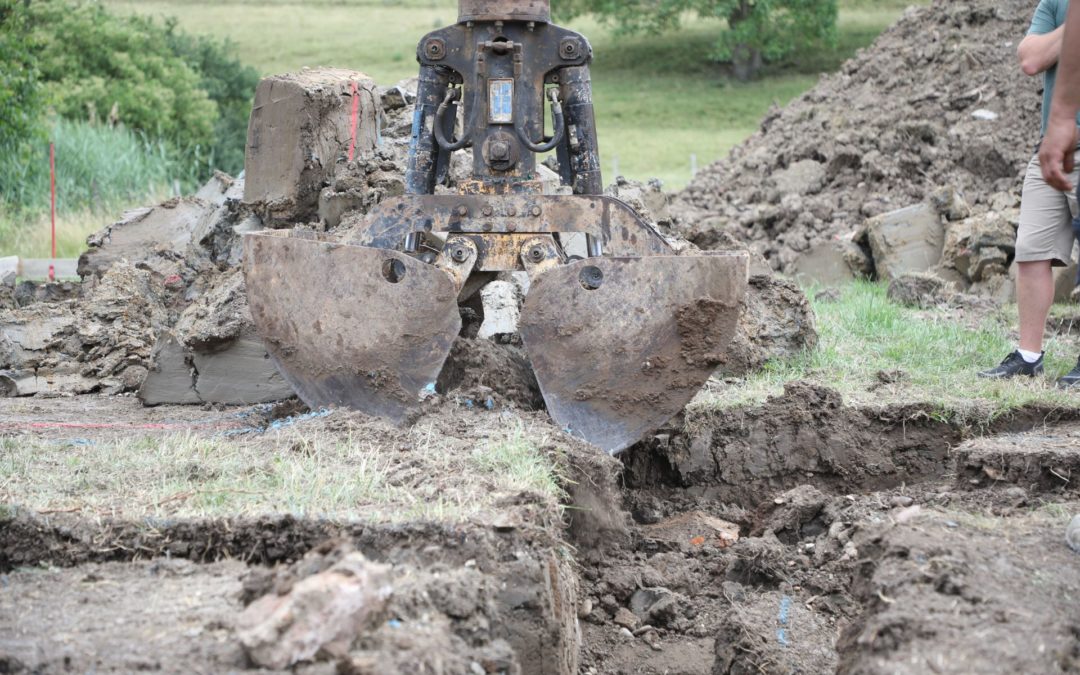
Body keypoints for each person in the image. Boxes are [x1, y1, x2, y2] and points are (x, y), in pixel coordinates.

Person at [979, 0, 1080, 386]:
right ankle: (1028, 355)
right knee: (1032, 249)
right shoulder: (1055, 1)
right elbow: (1030, 58)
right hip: (1050, 146)